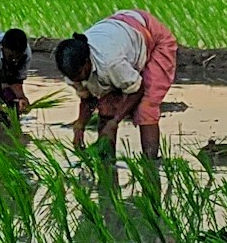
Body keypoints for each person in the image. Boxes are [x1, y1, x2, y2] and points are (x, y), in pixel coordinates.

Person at [55, 9, 178, 159]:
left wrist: (115, 121)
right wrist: (80, 125)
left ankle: (150, 163)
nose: (76, 81)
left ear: (87, 63)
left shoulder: (111, 64)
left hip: (152, 37)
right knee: (106, 108)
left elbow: (138, 89)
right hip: (122, 33)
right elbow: (89, 99)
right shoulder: (73, 72)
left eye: (78, 75)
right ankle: (107, 162)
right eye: (72, 77)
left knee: (146, 107)